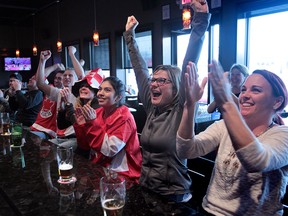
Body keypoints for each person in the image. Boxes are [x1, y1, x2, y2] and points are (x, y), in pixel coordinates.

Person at [123, 0, 211, 202]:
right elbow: (139, 69)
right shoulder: (151, 106)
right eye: (153, 80)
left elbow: (191, 59)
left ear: (175, 88)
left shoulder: (181, 109)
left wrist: (201, 19)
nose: (153, 84)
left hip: (174, 196)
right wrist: (129, 35)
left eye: (161, 81)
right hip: (146, 189)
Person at [177, 60, 288, 215]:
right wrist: (189, 105)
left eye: (255, 90)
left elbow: (257, 160)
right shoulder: (223, 126)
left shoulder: (283, 134)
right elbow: (186, 150)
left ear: (277, 102)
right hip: (209, 210)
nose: (244, 96)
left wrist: (227, 104)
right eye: (243, 90)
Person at [64, 76, 142, 181]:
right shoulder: (98, 112)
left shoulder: (125, 116)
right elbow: (85, 146)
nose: (100, 93)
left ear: (118, 97)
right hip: (99, 170)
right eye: (100, 89)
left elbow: (110, 150)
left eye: (107, 90)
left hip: (122, 175)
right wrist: (81, 126)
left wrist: (91, 124)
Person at [36, 50, 83, 147]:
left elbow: (81, 75)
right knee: (42, 149)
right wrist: (42, 61)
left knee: (54, 152)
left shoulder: (79, 93)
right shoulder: (59, 92)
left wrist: (71, 54)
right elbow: (40, 83)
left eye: (70, 75)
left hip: (75, 137)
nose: (66, 77)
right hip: (59, 136)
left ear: (76, 79)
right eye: (64, 75)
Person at [57, 69, 103, 158]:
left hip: (89, 144)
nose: (83, 88)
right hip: (76, 140)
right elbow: (62, 125)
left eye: (88, 86)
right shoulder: (80, 104)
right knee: (50, 146)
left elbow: (78, 123)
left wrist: (68, 104)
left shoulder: (97, 105)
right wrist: (62, 108)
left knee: (59, 150)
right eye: (81, 86)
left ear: (95, 91)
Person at [30, 63, 65, 139]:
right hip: (36, 126)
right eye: (55, 78)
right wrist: (55, 66)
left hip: (48, 131)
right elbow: (38, 78)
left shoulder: (64, 93)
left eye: (59, 78)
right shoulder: (50, 88)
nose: (56, 80)